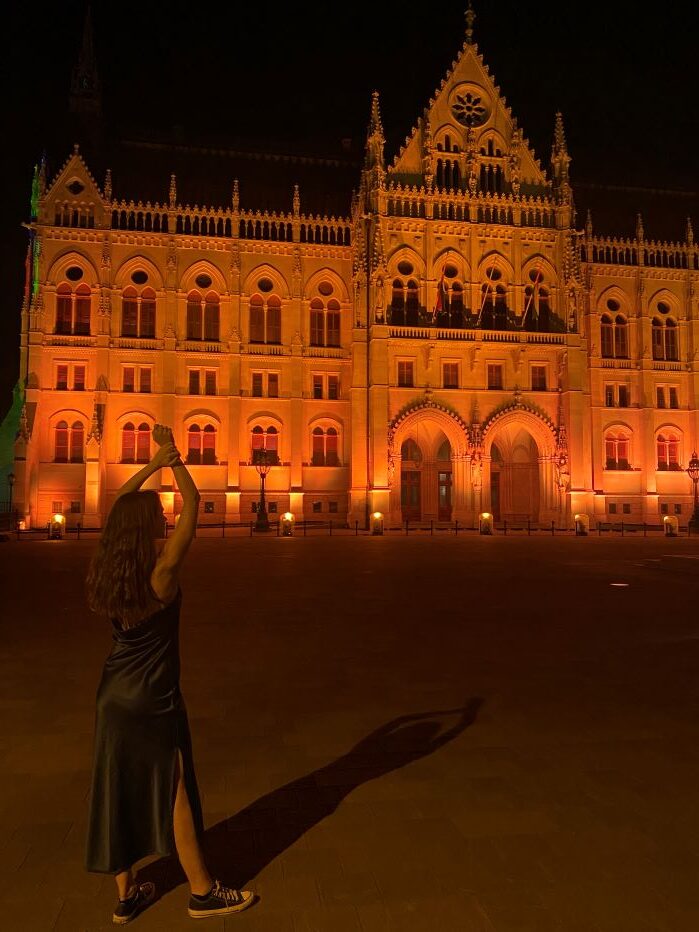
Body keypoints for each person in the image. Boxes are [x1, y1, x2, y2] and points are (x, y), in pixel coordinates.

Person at [85, 424, 255, 924]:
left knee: (117, 788)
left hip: (111, 693)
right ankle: (203, 891)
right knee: (174, 786)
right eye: (159, 517)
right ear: (150, 529)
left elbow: (120, 499)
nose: (165, 520)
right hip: (152, 695)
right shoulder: (161, 573)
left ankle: (126, 896)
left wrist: (152, 466)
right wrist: (172, 458)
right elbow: (195, 505)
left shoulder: (112, 567)